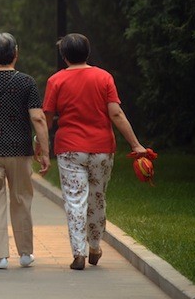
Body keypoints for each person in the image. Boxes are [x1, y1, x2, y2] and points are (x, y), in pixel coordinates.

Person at [42, 33, 148, 270]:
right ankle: (95, 246)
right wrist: (135, 144)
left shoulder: (56, 81)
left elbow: (46, 119)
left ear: (64, 56)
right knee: (97, 198)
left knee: (75, 201)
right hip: (101, 149)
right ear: (87, 52)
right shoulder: (104, 77)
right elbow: (116, 114)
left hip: (69, 149)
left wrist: (39, 144)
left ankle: (78, 252)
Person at [0, 33, 51, 270]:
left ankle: (0, 257)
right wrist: (44, 151)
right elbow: (37, 117)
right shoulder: (27, 82)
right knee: (21, 199)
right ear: (16, 53)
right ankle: (25, 253)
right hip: (19, 149)